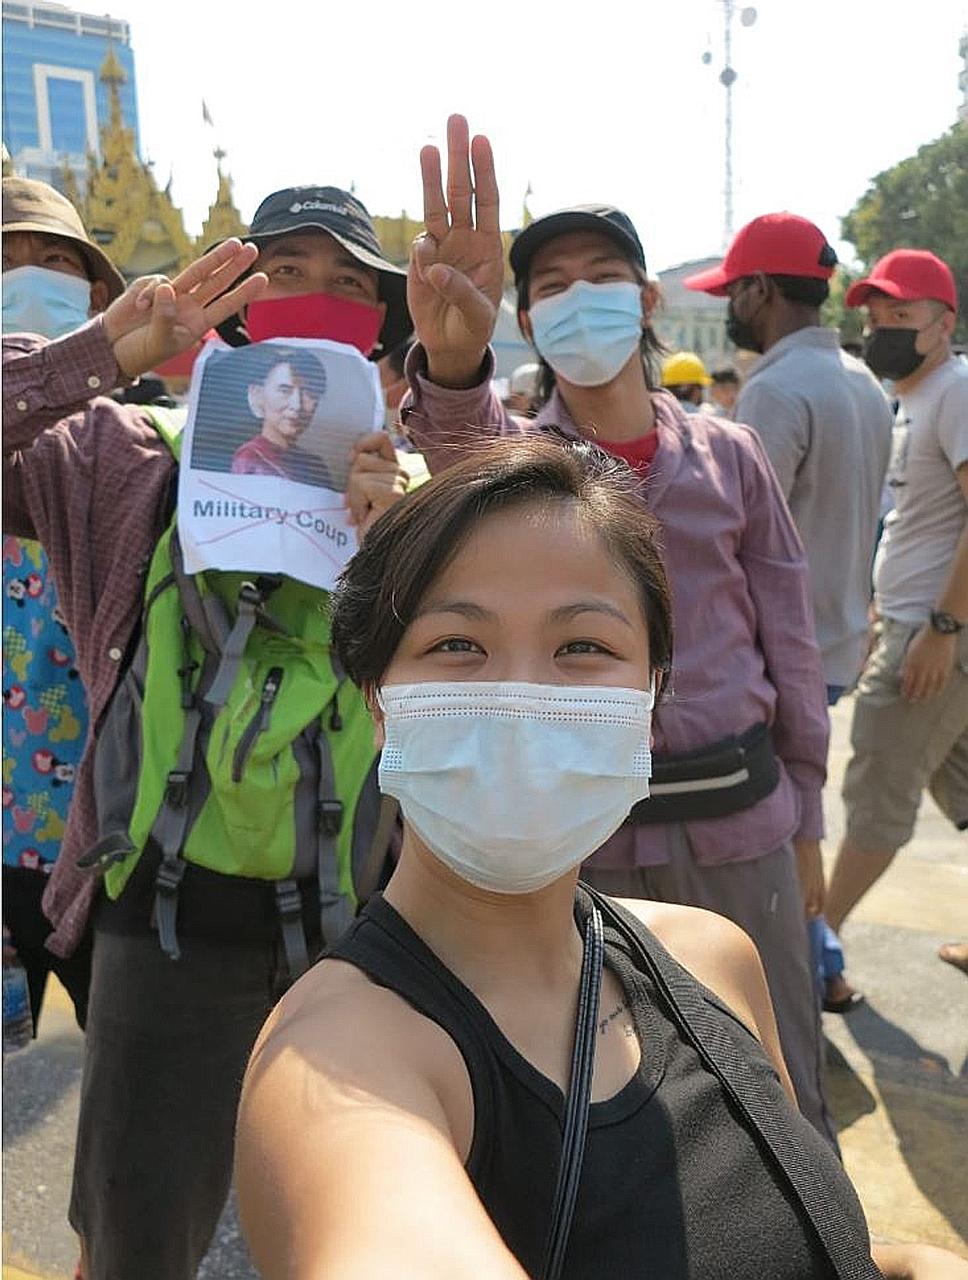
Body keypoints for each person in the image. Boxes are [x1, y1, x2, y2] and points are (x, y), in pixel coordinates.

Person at [236, 436, 963, 1280]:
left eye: (583, 647)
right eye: (456, 647)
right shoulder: (338, 1055)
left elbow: (775, 1238)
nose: (522, 698)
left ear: (651, 700)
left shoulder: (711, 958)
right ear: (378, 704)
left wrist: (911, 1265)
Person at [398, 116, 835, 1144]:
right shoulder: (516, 455)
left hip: (740, 825)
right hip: (576, 838)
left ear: (643, 301)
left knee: (773, 1086)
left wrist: (806, 811)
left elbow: (789, 639)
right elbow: (462, 456)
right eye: (547, 284)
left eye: (598, 275)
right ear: (525, 314)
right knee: (598, 1099)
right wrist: (456, 365)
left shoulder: (729, 456)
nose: (573, 298)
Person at [3, 186, 412, 1280]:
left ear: (382, 328)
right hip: (160, 922)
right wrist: (95, 352)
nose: (316, 303)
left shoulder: (411, 487)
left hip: (353, 926)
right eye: (282, 270)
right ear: (231, 304)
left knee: (347, 1233)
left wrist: (401, 547)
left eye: (351, 285)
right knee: (136, 1243)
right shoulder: (123, 455)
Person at [685, 214, 894, 1011]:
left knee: (777, 837)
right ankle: (825, 960)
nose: (731, 309)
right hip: (838, 637)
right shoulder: (861, 379)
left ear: (759, 290)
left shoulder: (776, 389)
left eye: (734, 292)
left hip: (782, 653)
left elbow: (734, 539)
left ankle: (807, 973)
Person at [825, 249, 968, 1000]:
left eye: (900, 316)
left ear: (943, 325)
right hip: (918, 623)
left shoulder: (954, 390)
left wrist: (941, 627)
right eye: (874, 316)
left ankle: (819, 947)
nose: (881, 328)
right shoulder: (916, 397)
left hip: (938, 635)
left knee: (878, 782)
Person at [1, 177, 126, 1034]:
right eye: (6, 261)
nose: (30, 276)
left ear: (96, 296)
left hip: (107, 811)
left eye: (53, 260)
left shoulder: (139, 432)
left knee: (121, 1046)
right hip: (6, 814)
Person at [230, 347, 331, 485]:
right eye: (285, 390)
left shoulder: (316, 467)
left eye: (309, 393)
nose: (297, 405)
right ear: (257, 394)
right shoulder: (250, 459)